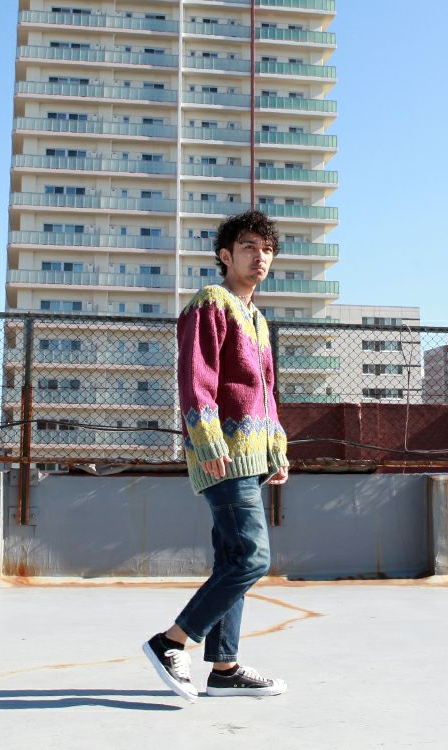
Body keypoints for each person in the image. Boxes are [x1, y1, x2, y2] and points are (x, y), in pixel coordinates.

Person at [143, 210, 290, 702]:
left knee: (232, 559)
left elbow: (265, 391)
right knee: (252, 557)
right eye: (249, 247)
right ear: (225, 256)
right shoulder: (211, 302)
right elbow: (196, 376)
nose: (259, 257)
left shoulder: (257, 319)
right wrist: (206, 440)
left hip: (251, 457)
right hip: (223, 454)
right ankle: (171, 642)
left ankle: (224, 668)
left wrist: (276, 448)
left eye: (267, 249)